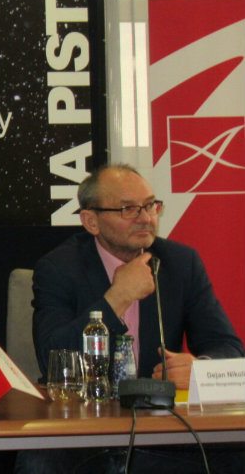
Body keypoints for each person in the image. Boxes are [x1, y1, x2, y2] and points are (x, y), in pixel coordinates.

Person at [21, 163, 243, 473]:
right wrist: (116, 299)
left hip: (159, 431)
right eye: (129, 209)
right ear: (91, 221)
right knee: (39, 463)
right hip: (84, 430)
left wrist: (199, 369)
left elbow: (227, 348)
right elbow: (53, 359)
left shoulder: (181, 263)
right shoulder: (59, 268)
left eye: (150, 205)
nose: (146, 218)